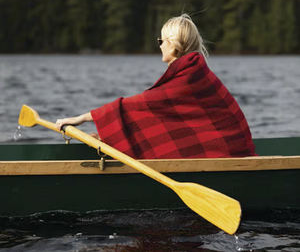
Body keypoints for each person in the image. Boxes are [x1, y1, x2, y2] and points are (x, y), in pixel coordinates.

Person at [56, 14, 257, 159]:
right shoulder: (194, 70)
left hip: (228, 151)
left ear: (173, 44)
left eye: (161, 40)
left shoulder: (190, 76)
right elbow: (166, 119)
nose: (159, 45)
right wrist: (108, 137)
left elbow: (138, 105)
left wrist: (80, 118)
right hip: (231, 148)